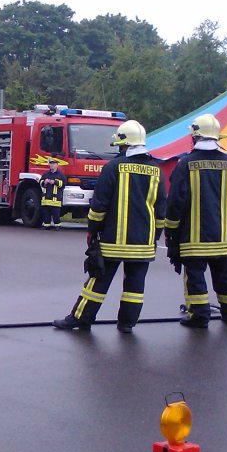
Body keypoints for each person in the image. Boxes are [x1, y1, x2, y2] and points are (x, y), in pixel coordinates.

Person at [54, 119, 165, 333]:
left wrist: (93, 230)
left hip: (114, 239)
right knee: (135, 287)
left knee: (97, 282)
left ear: (124, 145)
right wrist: (156, 236)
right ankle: (126, 324)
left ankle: (81, 318)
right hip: (144, 241)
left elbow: (99, 205)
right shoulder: (156, 170)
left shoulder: (113, 167)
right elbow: (160, 208)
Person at [163, 113, 227, 328]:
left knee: (195, 275)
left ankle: (199, 315)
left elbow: (175, 204)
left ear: (195, 137)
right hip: (223, 237)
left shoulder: (185, 165)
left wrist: (171, 231)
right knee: (225, 274)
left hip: (193, 237)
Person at [39, 159, 65, 230]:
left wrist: (55, 182)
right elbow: (40, 182)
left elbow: (63, 184)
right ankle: (46, 225)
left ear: (57, 165)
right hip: (46, 200)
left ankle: (57, 226)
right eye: (51, 163)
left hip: (55, 200)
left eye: (53, 163)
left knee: (56, 214)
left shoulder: (60, 175)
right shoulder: (46, 174)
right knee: (45, 213)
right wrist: (44, 182)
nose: (52, 165)